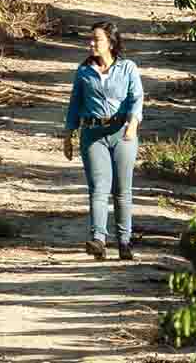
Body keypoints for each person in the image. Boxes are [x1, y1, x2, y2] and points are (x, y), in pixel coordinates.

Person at [62, 20, 143, 260]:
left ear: (111, 43)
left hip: (122, 134)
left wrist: (133, 125)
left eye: (96, 40)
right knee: (98, 188)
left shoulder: (128, 68)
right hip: (93, 134)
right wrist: (68, 135)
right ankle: (98, 239)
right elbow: (74, 104)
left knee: (121, 191)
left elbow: (136, 98)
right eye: (91, 39)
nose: (91, 43)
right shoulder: (84, 71)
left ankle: (125, 242)